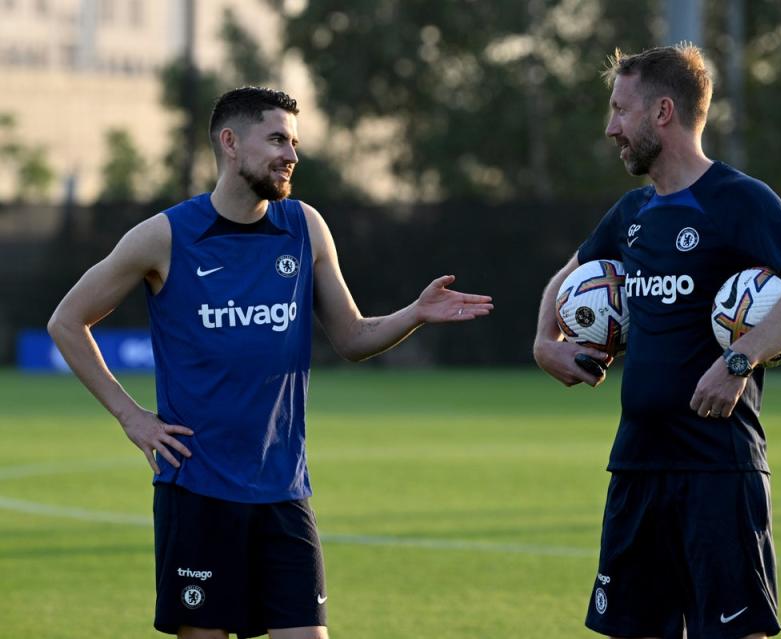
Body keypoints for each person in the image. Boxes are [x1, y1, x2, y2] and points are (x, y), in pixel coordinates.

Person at [47, 87, 493, 639]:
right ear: (230, 143)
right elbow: (67, 322)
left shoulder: (304, 227)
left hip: (284, 493)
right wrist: (130, 416)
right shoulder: (166, 237)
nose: (292, 154)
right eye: (278, 138)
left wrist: (415, 314)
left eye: (295, 142)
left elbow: (351, 337)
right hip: (198, 491)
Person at [533, 45, 781, 639]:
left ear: (663, 112)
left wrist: (738, 360)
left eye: (621, 110)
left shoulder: (737, 199)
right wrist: (545, 343)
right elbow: (567, 278)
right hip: (636, 467)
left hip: (718, 471)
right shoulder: (631, 212)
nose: (610, 128)